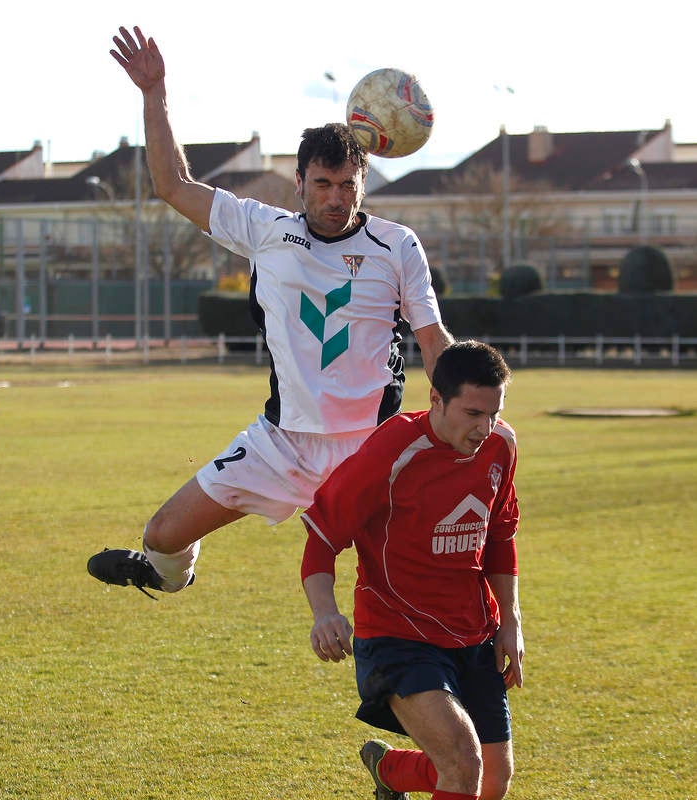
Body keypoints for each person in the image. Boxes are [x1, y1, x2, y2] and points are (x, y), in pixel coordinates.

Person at [87, 26, 453, 598]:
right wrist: (154, 94)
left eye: (348, 185)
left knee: (410, 583)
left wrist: (461, 402)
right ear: (300, 182)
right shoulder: (265, 230)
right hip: (280, 442)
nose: (336, 198)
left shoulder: (397, 245)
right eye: (323, 184)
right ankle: (162, 574)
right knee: (162, 534)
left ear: (364, 184)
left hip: (373, 447)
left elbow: (432, 338)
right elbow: (171, 184)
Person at [301, 340, 524, 800]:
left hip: (473, 632)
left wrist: (511, 623)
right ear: (436, 399)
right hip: (397, 635)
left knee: (492, 782)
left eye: (493, 412)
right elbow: (323, 535)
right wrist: (325, 612)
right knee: (464, 764)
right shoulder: (392, 451)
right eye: (472, 413)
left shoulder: (501, 443)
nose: (485, 427)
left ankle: (389, 770)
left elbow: (500, 535)